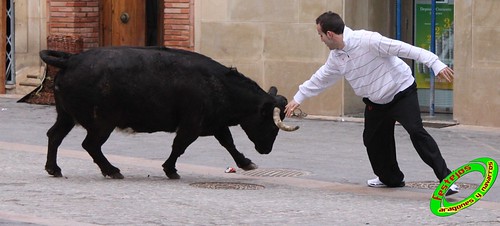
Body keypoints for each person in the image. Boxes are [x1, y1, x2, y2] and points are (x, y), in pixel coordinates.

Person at [285, 11, 458, 195]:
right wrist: (298, 97)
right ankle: (390, 178)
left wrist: (435, 63)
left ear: (330, 34)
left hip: (401, 92)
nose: (320, 39)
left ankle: (447, 180)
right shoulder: (336, 57)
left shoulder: (368, 40)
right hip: (376, 101)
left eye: (320, 35)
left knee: (416, 132)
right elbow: (321, 78)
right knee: (372, 140)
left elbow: (405, 49)